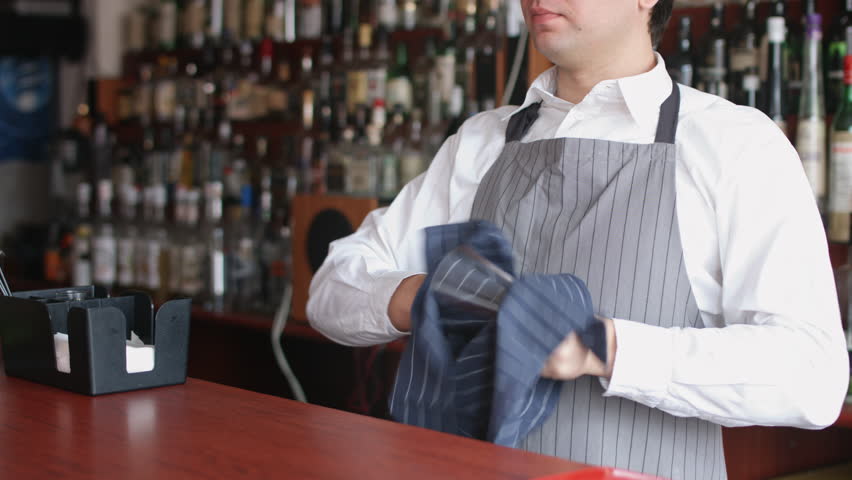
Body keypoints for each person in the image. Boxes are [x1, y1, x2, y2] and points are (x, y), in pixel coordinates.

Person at [307, 1, 850, 478]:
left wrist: (604, 347)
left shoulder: (733, 145)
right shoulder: (482, 141)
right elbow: (332, 290)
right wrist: (429, 297)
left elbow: (813, 376)